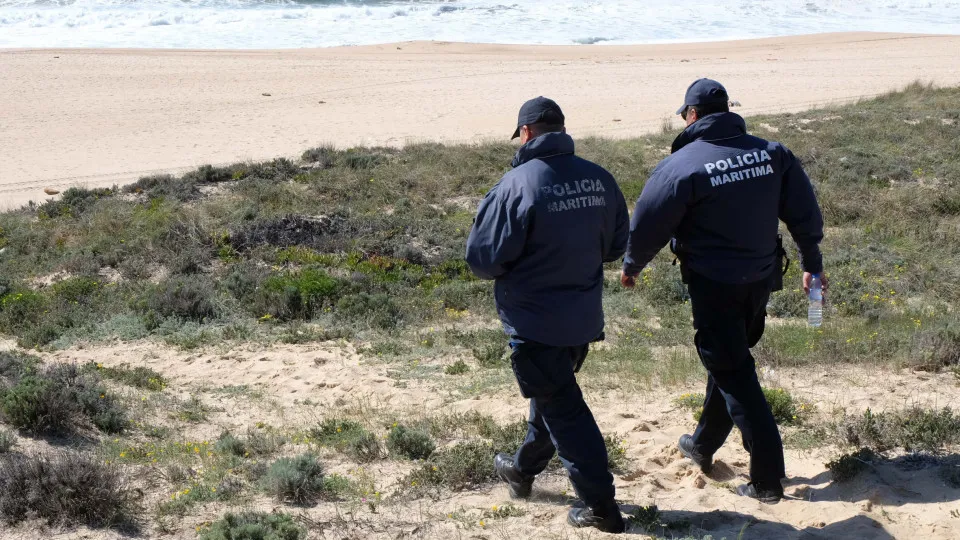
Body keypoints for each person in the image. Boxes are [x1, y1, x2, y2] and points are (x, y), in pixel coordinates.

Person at [620, 79, 826, 504]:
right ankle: (702, 444)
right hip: (761, 278)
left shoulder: (682, 165)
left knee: (733, 370)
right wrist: (812, 263)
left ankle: (767, 478)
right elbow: (803, 211)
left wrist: (631, 265)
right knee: (730, 359)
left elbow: (649, 222)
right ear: (726, 109)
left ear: (692, 115)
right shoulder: (772, 153)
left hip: (714, 284)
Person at [466, 97, 630, 532]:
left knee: (564, 409)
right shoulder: (600, 178)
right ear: (560, 128)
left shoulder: (516, 184)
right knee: (553, 396)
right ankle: (521, 470)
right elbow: (616, 247)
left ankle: (601, 505)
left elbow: (482, 259)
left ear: (526, 132)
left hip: (534, 320)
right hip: (581, 317)